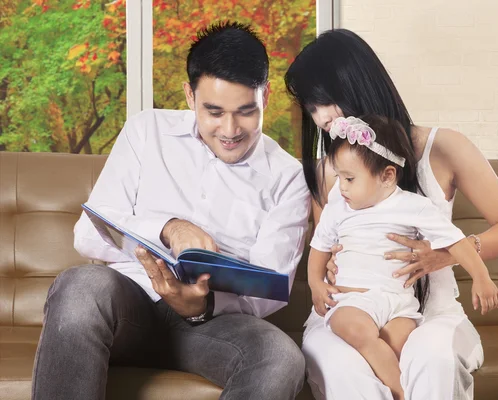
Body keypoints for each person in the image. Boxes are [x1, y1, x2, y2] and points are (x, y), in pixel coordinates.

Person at [31, 22, 311, 400]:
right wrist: (168, 228)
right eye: (214, 111)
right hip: (128, 308)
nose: (230, 129)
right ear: (189, 95)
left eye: (246, 112)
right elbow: (88, 233)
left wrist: (203, 303)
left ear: (266, 95)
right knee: (81, 287)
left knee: (280, 357)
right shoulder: (147, 132)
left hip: (214, 327)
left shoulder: (287, 176)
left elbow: (270, 290)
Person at [285, 29, 498, 400]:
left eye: (321, 102)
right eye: (310, 107)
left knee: (432, 360)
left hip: (429, 314)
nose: (319, 116)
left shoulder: (443, 147)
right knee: (343, 367)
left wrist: (444, 255)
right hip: (349, 310)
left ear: (355, 85)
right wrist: (329, 269)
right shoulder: (328, 172)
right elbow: (329, 246)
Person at [308, 115, 498, 400]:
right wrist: (315, 284)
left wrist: (481, 277)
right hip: (354, 299)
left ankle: (400, 385)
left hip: (400, 304)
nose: (342, 187)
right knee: (351, 328)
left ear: (387, 176)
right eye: (338, 177)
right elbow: (319, 248)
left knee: (401, 346)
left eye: (349, 179)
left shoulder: (413, 206)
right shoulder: (338, 208)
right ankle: (398, 392)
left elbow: (455, 241)